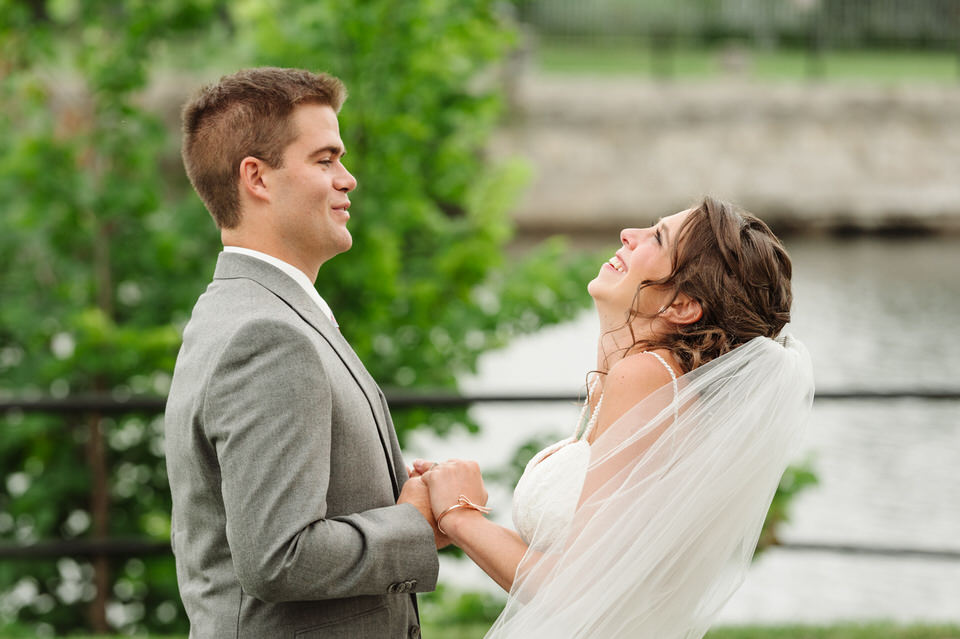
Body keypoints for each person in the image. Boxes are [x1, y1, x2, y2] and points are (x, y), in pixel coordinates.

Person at [414, 197, 815, 638]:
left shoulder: (647, 377)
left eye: (656, 238)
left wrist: (459, 516)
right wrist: (450, 500)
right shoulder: (646, 385)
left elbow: (571, 592)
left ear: (682, 307)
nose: (629, 233)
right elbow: (578, 573)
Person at [164, 67, 446, 639]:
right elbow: (278, 556)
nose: (349, 179)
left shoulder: (246, 311)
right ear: (257, 178)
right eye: (325, 160)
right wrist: (413, 523)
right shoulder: (267, 336)